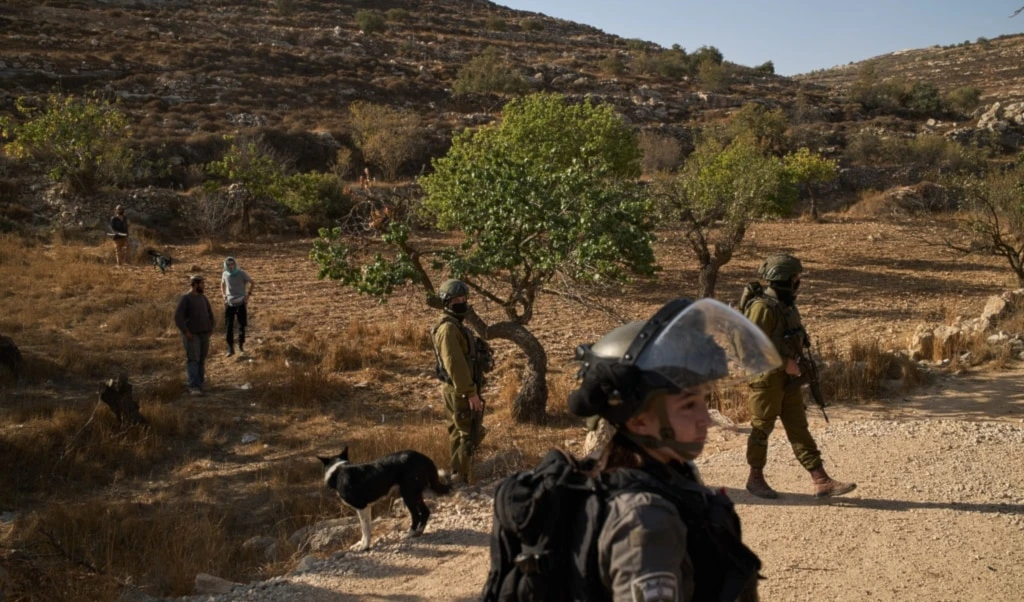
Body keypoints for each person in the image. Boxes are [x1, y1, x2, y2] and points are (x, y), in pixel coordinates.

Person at [483, 297, 777, 602]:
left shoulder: (659, 474)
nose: (706, 419)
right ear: (638, 422)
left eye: (704, 400)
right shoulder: (645, 519)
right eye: (688, 404)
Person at [742, 253, 856, 499]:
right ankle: (755, 479)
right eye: (796, 277)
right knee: (761, 429)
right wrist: (784, 363)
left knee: (798, 428)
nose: (798, 282)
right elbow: (749, 349)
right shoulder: (762, 307)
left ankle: (821, 480)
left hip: (788, 380)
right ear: (785, 278)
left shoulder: (786, 305)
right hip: (766, 380)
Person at [431, 279, 488, 486]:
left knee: (459, 431)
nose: (462, 302)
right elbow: (455, 364)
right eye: (457, 299)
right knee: (467, 433)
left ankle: (457, 474)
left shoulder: (454, 325)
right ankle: (459, 479)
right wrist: (470, 392)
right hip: (459, 389)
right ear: (447, 302)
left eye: (464, 298)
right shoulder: (448, 329)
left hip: (459, 387)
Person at [175, 275, 215, 396]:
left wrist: (211, 327)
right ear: (195, 284)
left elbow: (210, 313)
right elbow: (178, 317)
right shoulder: (186, 298)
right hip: (192, 335)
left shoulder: (203, 298)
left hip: (204, 334)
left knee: (201, 360)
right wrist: (186, 332)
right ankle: (193, 386)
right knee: (193, 360)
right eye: (202, 284)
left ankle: (200, 384)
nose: (204, 286)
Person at [220, 256, 255, 357]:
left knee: (242, 325)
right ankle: (230, 348)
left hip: (241, 302)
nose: (230, 266)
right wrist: (223, 295)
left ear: (235, 264)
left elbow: (252, 283)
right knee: (229, 325)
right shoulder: (225, 274)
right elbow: (222, 284)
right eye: (228, 265)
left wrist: (248, 295)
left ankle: (241, 345)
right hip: (229, 303)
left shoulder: (241, 273)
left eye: (232, 264)